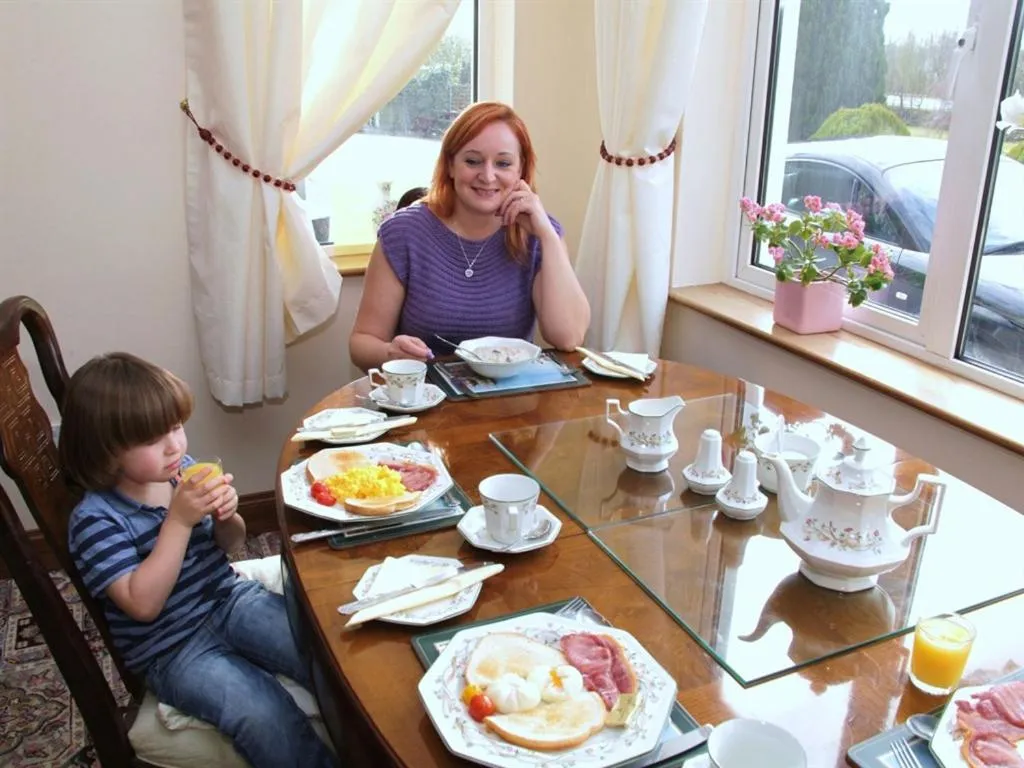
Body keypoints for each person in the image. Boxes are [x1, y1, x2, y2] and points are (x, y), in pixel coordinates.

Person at [59, 353, 336, 768]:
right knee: (261, 714)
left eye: (175, 427)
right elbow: (142, 603)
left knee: (321, 653)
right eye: (153, 439)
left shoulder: (181, 473)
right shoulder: (96, 519)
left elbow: (230, 544)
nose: (175, 445)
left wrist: (228, 517)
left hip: (227, 598)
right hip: (171, 647)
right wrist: (178, 521)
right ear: (106, 450)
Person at [349, 101, 590, 370]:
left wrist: (547, 235)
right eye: (473, 161)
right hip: (426, 399)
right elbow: (362, 342)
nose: (487, 176)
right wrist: (390, 353)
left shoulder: (540, 235)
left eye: (503, 163)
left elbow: (568, 338)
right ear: (450, 165)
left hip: (510, 402)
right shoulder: (403, 233)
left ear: (520, 170)